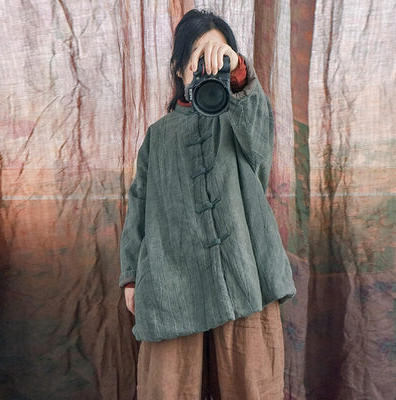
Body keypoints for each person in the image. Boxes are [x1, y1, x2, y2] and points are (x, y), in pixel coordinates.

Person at [119, 8, 297, 399]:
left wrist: (238, 72)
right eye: (199, 58)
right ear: (180, 69)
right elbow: (138, 206)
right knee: (166, 389)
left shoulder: (241, 118)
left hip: (244, 276)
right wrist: (131, 277)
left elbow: (260, 142)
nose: (207, 67)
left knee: (252, 386)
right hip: (169, 283)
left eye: (218, 57)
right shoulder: (157, 137)